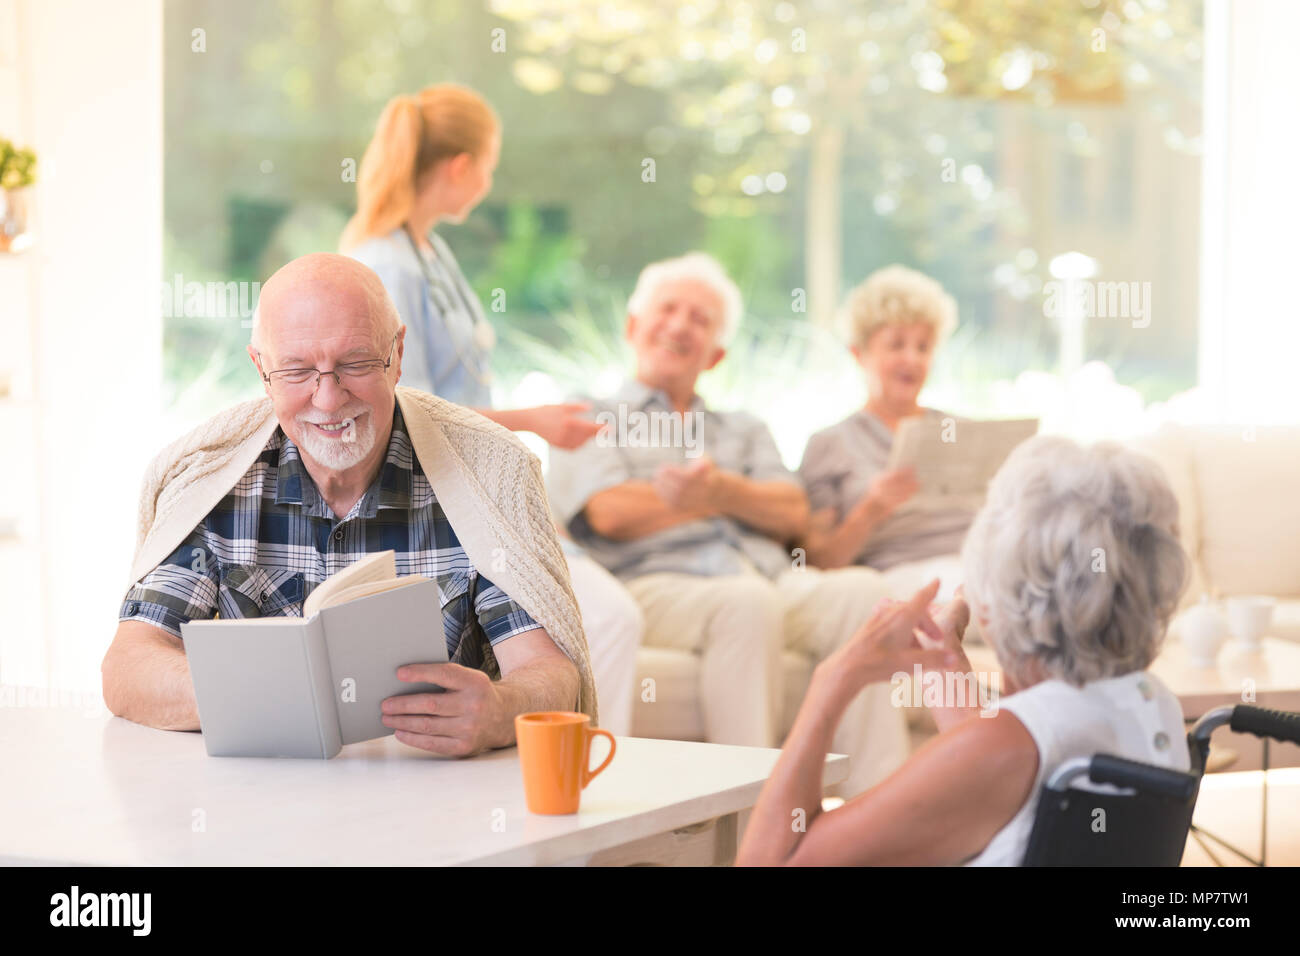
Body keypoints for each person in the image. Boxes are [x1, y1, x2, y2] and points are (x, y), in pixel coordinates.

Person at [103, 254, 596, 754]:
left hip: (437, 802)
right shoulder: (209, 479)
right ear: (261, 369)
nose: (329, 398)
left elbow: (549, 673)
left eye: (355, 363)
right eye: (297, 371)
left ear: (397, 353)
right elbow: (129, 670)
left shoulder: (489, 473)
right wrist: (266, 693)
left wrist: (500, 710)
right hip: (259, 806)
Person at [547, 252, 910, 798]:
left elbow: (791, 513)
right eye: (668, 309)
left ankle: (881, 816)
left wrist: (716, 491)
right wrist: (730, 498)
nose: (679, 325)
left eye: (700, 319)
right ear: (633, 326)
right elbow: (611, 512)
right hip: (657, 584)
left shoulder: (744, 427)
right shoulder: (585, 413)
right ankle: (753, 824)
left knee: (868, 595)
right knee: (745, 604)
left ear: (715, 354)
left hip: (767, 578)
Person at [339, 84, 643, 735]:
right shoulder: (389, 267)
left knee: (607, 617)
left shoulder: (429, 251)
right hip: (441, 500)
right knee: (612, 619)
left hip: (478, 483)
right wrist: (535, 423)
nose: (489, 179)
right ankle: (578, 789)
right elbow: (405, 410)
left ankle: (572, 787)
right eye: (490, 162)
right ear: (459, 166)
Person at [736, 435, 1191, 865]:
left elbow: (767, 861)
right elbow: (1005, 780)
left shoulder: (1004, 749)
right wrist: (944, 660)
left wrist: (834, 680)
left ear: (997, 601)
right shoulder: (1153, 704)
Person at [799, 265, 973, 598]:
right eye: (896, 345)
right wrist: (870, 510)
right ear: (858, 353)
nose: (912, 358)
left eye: (923, 347)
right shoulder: (830, 444)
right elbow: (817, 562)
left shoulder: (959, 431)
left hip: (978, 563)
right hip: (903, 576)